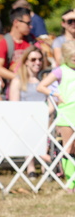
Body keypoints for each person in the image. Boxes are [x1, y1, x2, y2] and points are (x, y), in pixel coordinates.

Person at [37, 41, 75, 192]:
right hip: (66, 112)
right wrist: (55, 94)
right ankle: (70, 182)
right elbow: (41, 86)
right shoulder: (61, 71)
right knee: (68, 147)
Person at [9, 45, 49, 178]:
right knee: (30, 128)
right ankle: (31, 166)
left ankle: (45, 166)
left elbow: (50, 102)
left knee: (46, 128)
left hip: (45, 119)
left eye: (39, 59)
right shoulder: (18, 81)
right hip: (24, 119)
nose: (37, 62)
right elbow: (14, 105)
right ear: (26, 61)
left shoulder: (45, 80)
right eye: (33, 60)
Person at [0, 7, 33, 85]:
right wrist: (18, 78)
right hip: (13, 85)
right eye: (28, 23)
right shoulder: (5, 42)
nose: (31, 26)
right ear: (16, 23)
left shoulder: (32, 40)